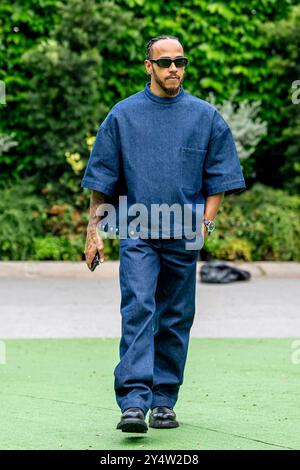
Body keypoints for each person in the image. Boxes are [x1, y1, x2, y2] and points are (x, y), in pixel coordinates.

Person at [81, 35, 246, 433]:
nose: (174, 68)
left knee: (175, 318)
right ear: (148, 66)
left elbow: (219, 178)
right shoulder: (123, 115)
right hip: (138, 231)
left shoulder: (205, 117)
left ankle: (165, 401)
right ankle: (134, 403)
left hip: (184, 234)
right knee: (138, 309)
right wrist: (93, 230)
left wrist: (205, 224)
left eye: (180, 61)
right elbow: (101, 178)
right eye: (166, 61)